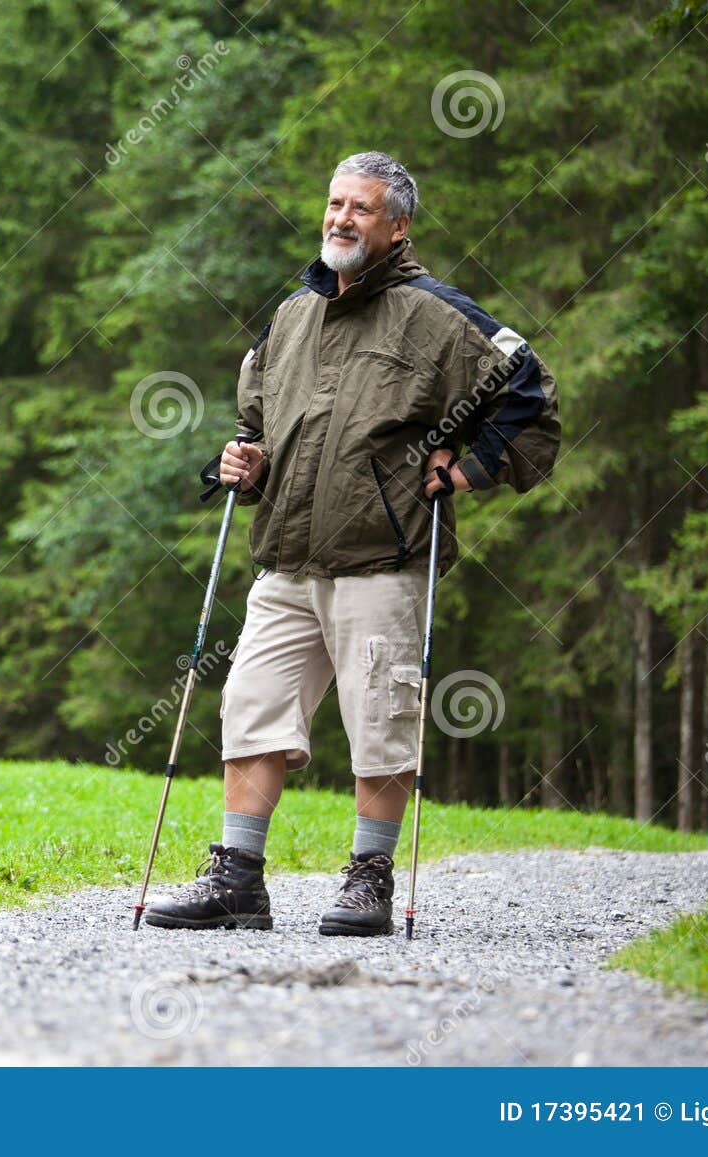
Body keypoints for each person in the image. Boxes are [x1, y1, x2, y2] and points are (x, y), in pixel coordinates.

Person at [142, 151, 561, 936]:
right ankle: (237, 881)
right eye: (334, 204)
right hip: (287, 556)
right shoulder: (293, 314)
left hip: (384, 556)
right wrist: (249, 460)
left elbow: (531, 392)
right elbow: (260, 417)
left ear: (397, 225)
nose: (340, 219)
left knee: (381, 718)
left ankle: (369, 880)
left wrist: (467, 469)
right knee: (250, 706)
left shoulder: (439, 315)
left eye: (360, 208)